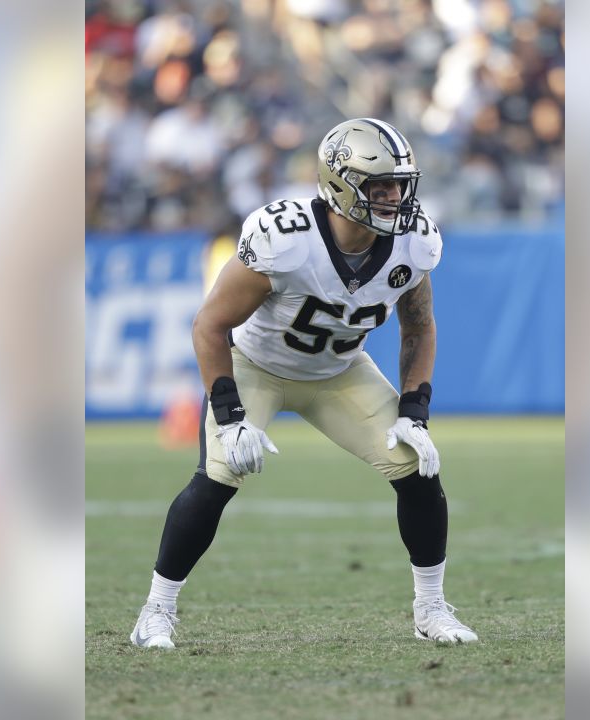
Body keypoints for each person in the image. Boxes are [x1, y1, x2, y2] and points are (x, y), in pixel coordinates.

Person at [129, 118, 478, 648]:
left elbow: (420, 327)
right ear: (341, 184)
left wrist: (415, 411)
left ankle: (430, 609)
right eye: (379, 186)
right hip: (257, 368)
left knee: (415, 465)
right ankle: (155, 611)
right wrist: (230, 414)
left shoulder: (413, 241)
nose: (394, 198)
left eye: (399, 185)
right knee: (219, 475)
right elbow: (209, 325)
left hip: (339, 373)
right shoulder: (285, 239)